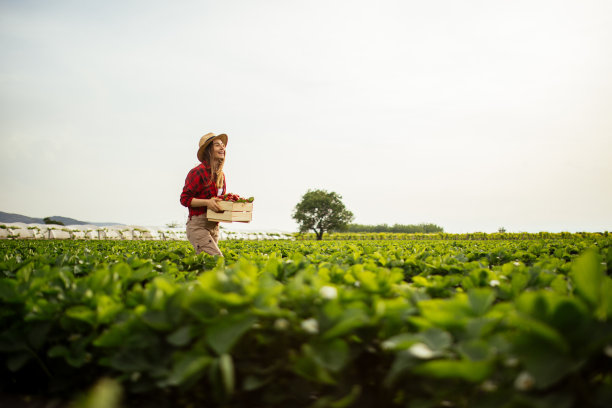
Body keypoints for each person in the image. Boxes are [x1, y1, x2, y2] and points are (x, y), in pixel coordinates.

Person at [180, 132, 228, 256]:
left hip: (214, 225)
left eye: (223, 145)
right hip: (198, 225)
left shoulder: (221, 176)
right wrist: (207, 202)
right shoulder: (197, 172)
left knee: (206, 266)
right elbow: (185, 199)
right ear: (208, 150)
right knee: (217, 259)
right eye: (217, 145)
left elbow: (220, 200)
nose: (222, 148)